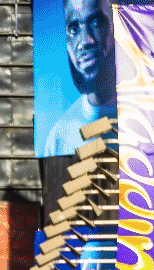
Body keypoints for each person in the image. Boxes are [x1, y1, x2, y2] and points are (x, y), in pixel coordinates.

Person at [42, 0, 117, 156]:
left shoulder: (146, 117)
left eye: (96, 23)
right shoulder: (59, 136)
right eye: (74, 29)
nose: (85, 42)